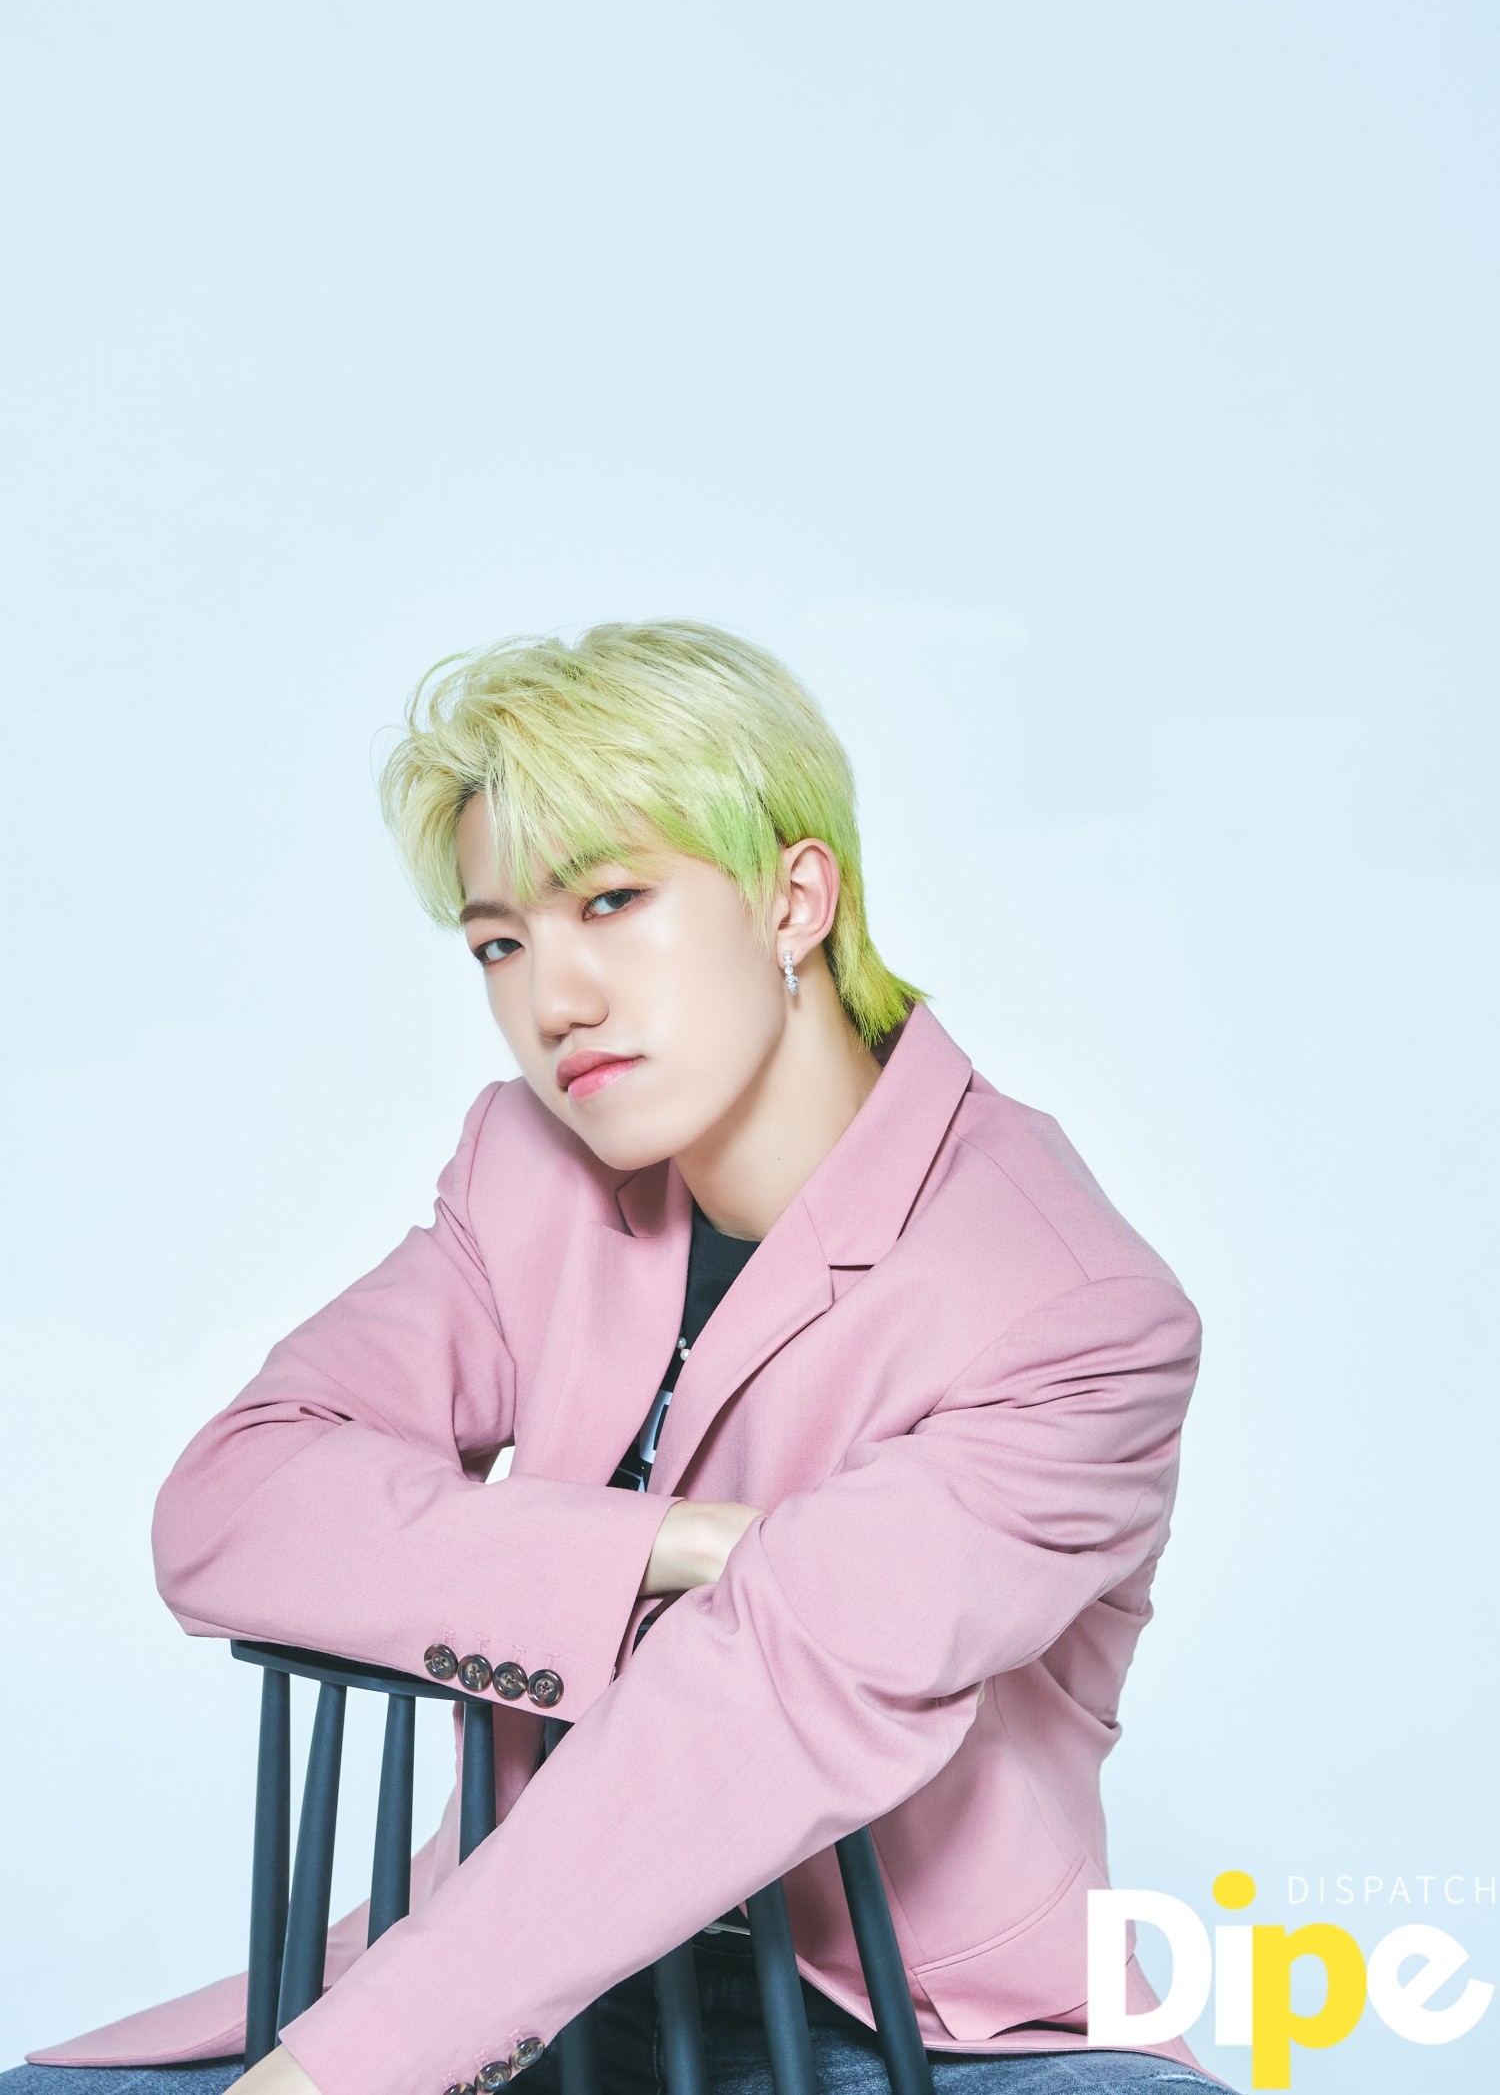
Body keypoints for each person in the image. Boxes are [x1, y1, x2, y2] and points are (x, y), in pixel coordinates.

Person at [7, 621, 1232, 2095]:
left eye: (612, 900)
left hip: (906, 2033)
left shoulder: (1072, 1309)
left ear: (794, 899)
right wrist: (665, 1544)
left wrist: (343, 2073)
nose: (554, 1001)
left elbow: (773, 1690)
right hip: (533, 1991)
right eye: (501, 943)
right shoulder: (533, 1172)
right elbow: (235, 1505)